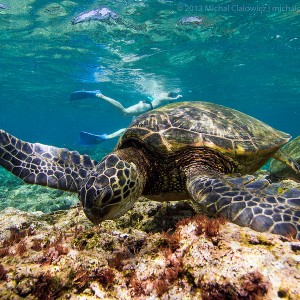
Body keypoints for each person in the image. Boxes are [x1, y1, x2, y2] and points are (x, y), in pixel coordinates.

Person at [71, 90, 182, 145]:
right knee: (124, 112)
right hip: (147, 108)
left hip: (146, 110)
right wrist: (177, 96)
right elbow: (168, 99)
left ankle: (105, 137)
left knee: (129, 130)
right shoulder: (166, 97)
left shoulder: (162, 96)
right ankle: (99, 95)